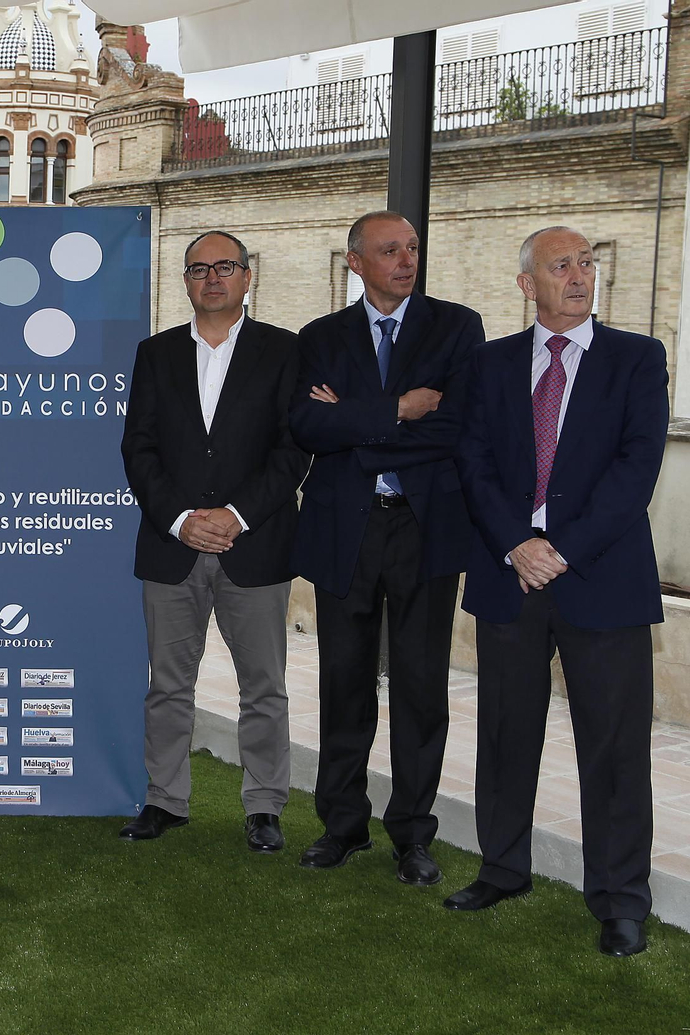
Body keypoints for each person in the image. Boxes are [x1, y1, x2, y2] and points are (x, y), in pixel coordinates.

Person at [446, 227, 667, 957]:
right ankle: (503, 867)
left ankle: (620, 900)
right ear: (526, 284)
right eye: (561, 265)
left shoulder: (637, 358)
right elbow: (472, 460)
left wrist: (561, 549)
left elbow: (636, 472)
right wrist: (518, 542)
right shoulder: (490, 363)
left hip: (601, 579)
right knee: (507, 734)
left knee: (612, 748)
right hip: (510, 575)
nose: (579, 275)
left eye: (587, 262)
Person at [288, 210, 483, 885]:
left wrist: (354, 419)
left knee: (422, 687)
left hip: (425, 530)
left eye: (413, 248)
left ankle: (412, 834)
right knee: (344, 682)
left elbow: (455, 428)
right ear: (355, 263)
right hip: (346, 528)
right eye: (390, 249)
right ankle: (342, 826)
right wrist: (399, 408)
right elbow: (309, 425)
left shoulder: (457, 328)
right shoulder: (319, 336)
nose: (406, 259)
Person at [117, 231, 307, 849]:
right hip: (172, 547)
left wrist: (236, 514)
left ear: (247, 277)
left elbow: (293, 449)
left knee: (264, 686)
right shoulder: (156, 353)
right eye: (199, 269)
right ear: (186, 282)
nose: (213, 278)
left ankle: (264, 807)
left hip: (254, 545)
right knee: (168, 684)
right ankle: (166, 800)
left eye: (225, 267)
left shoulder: (285, 351)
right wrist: (180, 519)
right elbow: (138, 449)